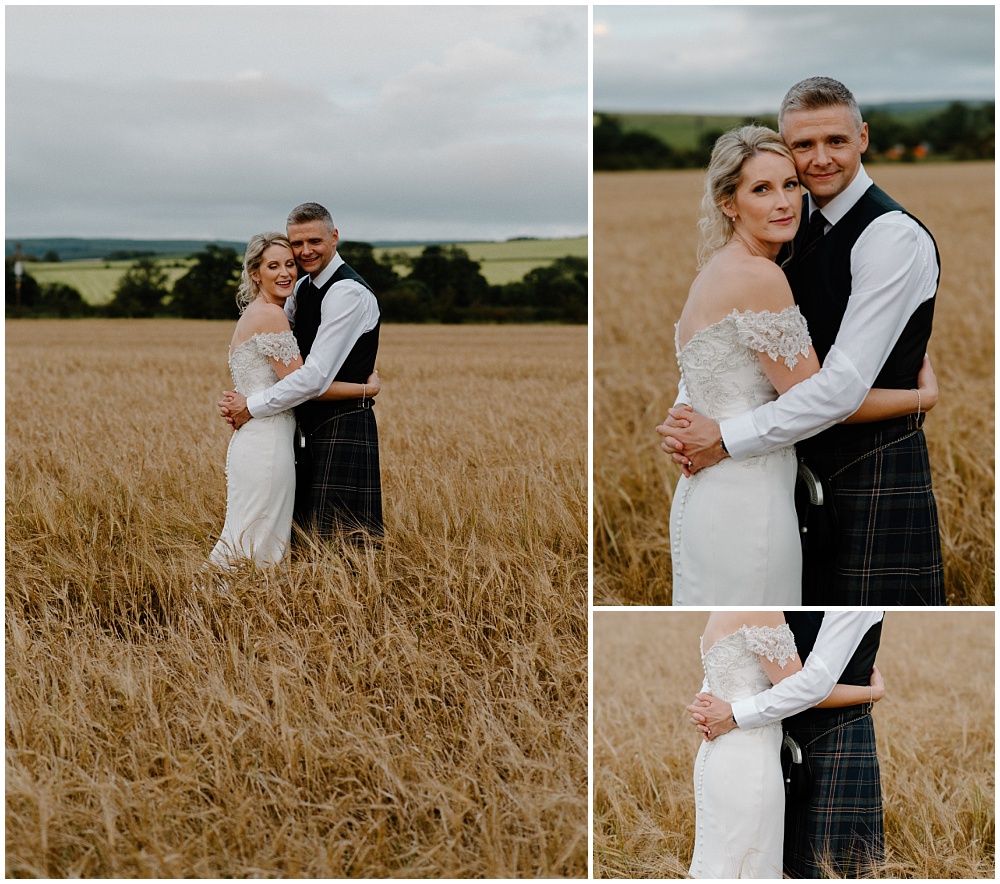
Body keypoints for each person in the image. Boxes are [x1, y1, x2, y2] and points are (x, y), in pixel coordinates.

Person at [660, 78, 944, 605]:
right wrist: (688, 417)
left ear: (862, 137)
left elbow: (837, 390)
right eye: (803, 147)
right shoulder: (788, 229)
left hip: (870, 474)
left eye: (835, 141)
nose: (818, 162)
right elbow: (727, 347)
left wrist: (719, 436)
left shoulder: (891, 237)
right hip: (780, 480)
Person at [209, 232, 380, 568]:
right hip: (268, 444)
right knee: (260, 542)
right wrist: (365, 390)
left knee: (249, 536)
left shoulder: (265, 311)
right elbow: (306, 384)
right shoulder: (270, 316)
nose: (286, 272)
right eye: (273, 266)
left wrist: (247, 403)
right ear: (255, 273)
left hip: (257, 439)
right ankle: (215, 606)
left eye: (290, 264)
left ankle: (214, 607)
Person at [688, 611, 886, 879]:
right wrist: (871, 693)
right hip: (750, 760)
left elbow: (717, 680)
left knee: (719, 864)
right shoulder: (765, 608)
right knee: (749, 868)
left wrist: (713, 711)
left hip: (718, 753)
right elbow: (808, 686)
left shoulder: (723, 608)